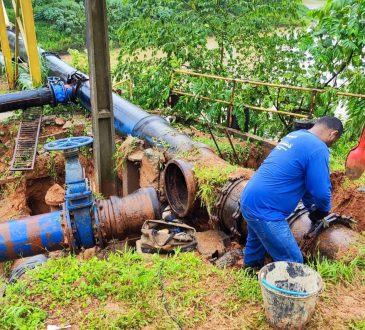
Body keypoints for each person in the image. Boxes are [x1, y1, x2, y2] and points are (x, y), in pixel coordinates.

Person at [240, 116, 343, 268]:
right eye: (334, 141)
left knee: (256, 243)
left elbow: (306, 185)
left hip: (249, 199)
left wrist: (311, 208)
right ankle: (284, 290)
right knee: (293, 261)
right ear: (333, 134)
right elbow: (321, 191)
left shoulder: (295, 135)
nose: (332, 144)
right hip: (267, 211)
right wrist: (323, 210)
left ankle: (249, 273)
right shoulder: (318, 148)